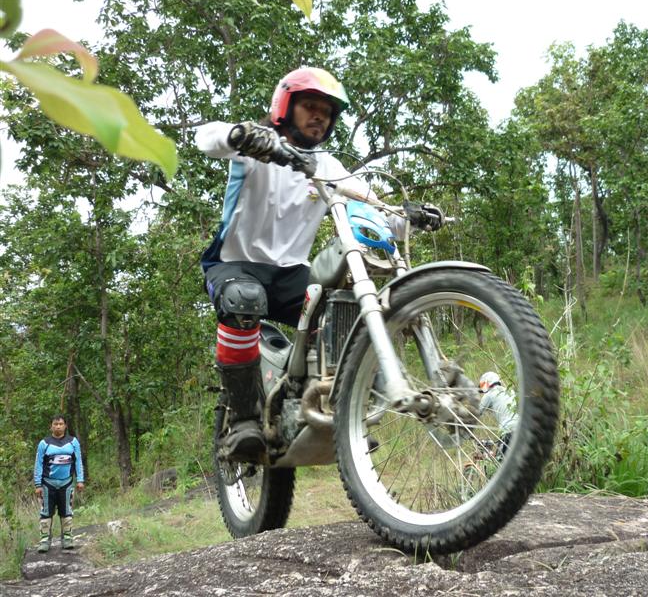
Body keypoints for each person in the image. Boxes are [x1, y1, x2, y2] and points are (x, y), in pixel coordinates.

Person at [195, 67, 444, 462]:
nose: (319, 117)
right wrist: (240, 135)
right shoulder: (255, 148)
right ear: (284, 106)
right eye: (310, 106)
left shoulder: (327, 167)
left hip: (292, 273)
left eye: (326, 113)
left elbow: (377, 211)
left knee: (343, 310)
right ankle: (242, 420)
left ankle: (338, 411)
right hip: (235, 264)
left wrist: (410, 216)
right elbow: (206, 137)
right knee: (243, 299)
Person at [33, 414, 85, 552]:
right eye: (55, 424)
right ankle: (44, 540)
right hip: (47, 484)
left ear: (65, 426)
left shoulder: (73, 442)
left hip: (66, 483)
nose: (58, 426)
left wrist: (80, 480)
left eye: (61, 424)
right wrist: (38, 484)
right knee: (46, 512)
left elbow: (78, 461)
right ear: (51, 426)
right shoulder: (44, 443)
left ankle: (67, 538)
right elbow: (38, 464)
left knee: (66, 511)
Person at [478, 371, 518, 456]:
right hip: (521, 427)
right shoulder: (510, 391)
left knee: (501, 460)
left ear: (488, 382)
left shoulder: (489, 395)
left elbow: (476, 413)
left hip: (508, 431)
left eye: (483, 384)